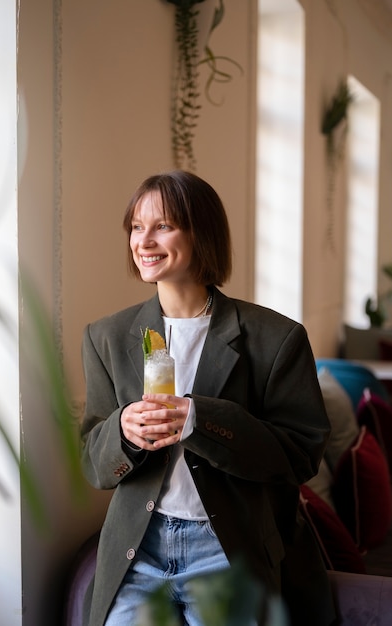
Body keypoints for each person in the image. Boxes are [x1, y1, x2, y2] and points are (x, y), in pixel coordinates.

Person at [80, 170, 337, 626]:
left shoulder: (276, 339)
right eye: (137, 227)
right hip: (138, 549)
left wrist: (202, 419)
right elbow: (93, 463)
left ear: (202, 233)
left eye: (163, 225)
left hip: (225, 551)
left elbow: (299, 456)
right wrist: (121, 430)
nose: (144, 241)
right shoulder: (107, 337)